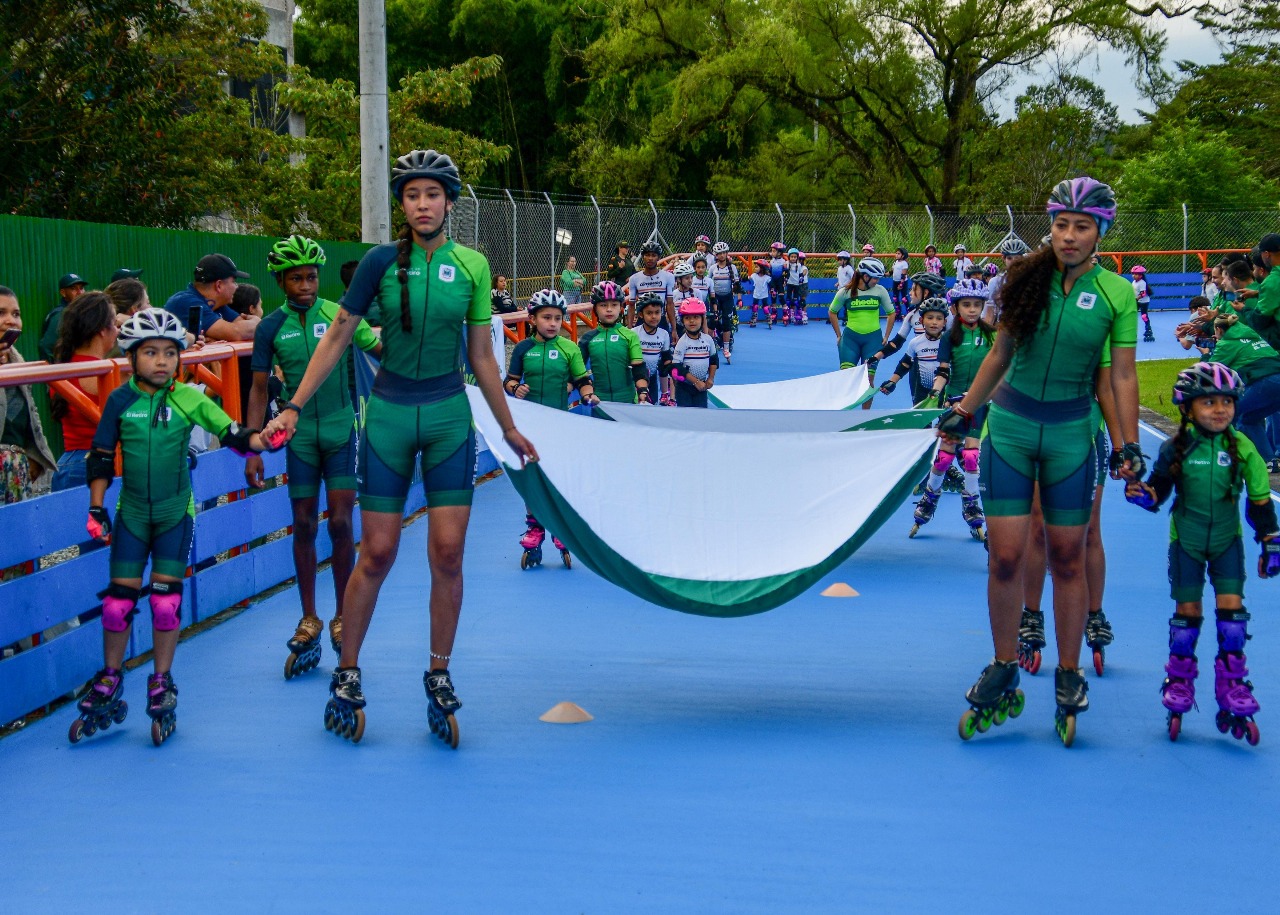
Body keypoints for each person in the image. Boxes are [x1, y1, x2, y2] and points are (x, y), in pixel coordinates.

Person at [261, 149, 536, 747]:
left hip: (447, 418)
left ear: (449, 201)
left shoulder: (473, 266)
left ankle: (438, 673)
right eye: (411, 195)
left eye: (431, 194)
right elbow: (338, 336)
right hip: (386, 416)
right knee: (378, 552)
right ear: (402, 205)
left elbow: (483, 355)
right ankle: (348, 670)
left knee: (447, 554)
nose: (421, 204)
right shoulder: (380, 263)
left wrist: (507, 425)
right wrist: (293, 405)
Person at [945, 177, 1139, 747]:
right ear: (1049, 227)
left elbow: (1121, 375)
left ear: (1101, 232)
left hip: (1072, 436)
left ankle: (1069, 671)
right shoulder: (1022, 279)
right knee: (1005, 556)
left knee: (1067, 558)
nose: (1069, 236)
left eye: (1081, 227)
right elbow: (1000, 354)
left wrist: (1128, 444)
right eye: (1060, 225)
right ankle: (1004, 663)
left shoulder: (1116, 295)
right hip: (1010, 428)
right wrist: (964, 410)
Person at [72, 308, 277, 746]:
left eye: (170, 352)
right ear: (132, 357)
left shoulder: (190, 398)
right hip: (131, 515)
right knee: (117, 603)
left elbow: (234, 434)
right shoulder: (120, 401)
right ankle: (111, 676)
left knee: (165, 603)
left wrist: (264, 439)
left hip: (173, 515)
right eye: (150, 352)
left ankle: (161, 679)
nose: (161, 361)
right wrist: (96, 507)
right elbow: (101, 456)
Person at [245, 235, 383, 678]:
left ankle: (343, 614)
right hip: (299, 440)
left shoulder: (337, 314)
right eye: (296, 278)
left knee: (342, 522)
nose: (306, 285)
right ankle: (310, 616)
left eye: (312, 277)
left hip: (341, 430)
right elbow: (259, 387)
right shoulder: (270, 328)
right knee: (303, 523)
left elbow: (378, 348)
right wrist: (251, 446)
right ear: (281, 281)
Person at [1124, 362, 1278, 745]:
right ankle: (1178, 681)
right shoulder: (1175, 446)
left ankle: (1233, 687)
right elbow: (1159, 491)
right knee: (1187, 614)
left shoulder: (1243, 448)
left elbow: (1259, 501)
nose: (1220, 410)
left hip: (1227, 541)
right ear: (1187, 408)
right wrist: (1143, 495)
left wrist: (1270, 540)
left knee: (1232, 618)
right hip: (1187, 543)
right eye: (1208, 402)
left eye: (1227, 401)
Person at [505, 289, 595, 569]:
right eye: (546, 317)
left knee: (558, 478)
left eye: (558, 318)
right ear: (532, 318)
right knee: (533, 480)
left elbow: (581, 379)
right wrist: (515, 389)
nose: (553, 323)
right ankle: (534, 528)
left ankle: (560, 526)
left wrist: (589, 394)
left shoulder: (570, 348)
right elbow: (508, 382)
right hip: (529, 426)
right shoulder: (522, 348)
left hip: (559, 425)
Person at [901, 296, 979, 539]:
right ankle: (928, 500)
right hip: (952, 399)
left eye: (977, 305)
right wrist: (936, 393)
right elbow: (943, 370)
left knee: (971, 457)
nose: (972, 310)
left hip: (978, 400)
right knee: (945, 455)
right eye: (966, 305)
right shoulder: (948, 339)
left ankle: (973, 507)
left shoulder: (990, 336)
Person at [50, 292, 119, 492]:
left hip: (68, 463)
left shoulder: (64, 365)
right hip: (94, 463)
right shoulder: (105, 372)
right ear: (101, 330)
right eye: (114, 324)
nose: (117, 331)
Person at [0, 287, 57, 502]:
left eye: (16, 314)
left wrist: (34, 458)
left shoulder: (18, 363)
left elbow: (31, 416)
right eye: (1, 313)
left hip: (16, 473)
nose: (11, 321)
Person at [1206, 312, 1280, 467]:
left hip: (1265, 382)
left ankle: (1224, 455)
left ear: (1219, 330)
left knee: (1231, 412)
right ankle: (1270, 460)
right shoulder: (1252, 335)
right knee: (1249, 418)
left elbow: (1210, 371)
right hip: (1274, 378)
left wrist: (1207, 353)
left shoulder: (1226, 344)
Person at [579, 281, 650, 404]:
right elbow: (578, 371)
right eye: (603, 305)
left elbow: (639, 369)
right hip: (599, 401)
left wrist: (643, 391)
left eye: (614, 305)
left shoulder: (630, 335)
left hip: (627, 400)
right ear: (595, 308)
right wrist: (587, 394)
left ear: (621, 307)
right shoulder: (587, 338)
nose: (609, 309)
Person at [162, 253, 258, 343]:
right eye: (233, 281)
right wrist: (258, 323)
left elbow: (243, 328)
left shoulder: (217, 305)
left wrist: (217, 337)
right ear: (219, 285)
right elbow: (238, 333)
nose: (236, 286)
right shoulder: (186, 302)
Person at [828, 257, 895, 383]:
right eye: (875, 278)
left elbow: (891, 313)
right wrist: (838, 336)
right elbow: (832, 312)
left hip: (873, 340)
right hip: (850, 340)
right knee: (846, 381)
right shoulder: (845, 292)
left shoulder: (880, 291)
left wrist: (886, 336)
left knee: (868, 382)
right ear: (865, 276)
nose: (877, 281)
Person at [670, 299, 717, 407]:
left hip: (702, 385)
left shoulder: (708, 340)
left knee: (701, 416)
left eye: (696, 317)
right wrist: (695, 382)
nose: (692, 321)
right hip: (684, 387)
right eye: (687, 318)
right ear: (682, 321)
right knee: (686, 417)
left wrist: (710, 378)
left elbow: (714, 360)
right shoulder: (682, 342)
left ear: (702, 319)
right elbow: (677, 367)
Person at [633, 293, 674, 406]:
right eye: (649, 313)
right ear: (641, 314)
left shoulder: (664, 334)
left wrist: (673, 372)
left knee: (652, 407)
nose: (654, 316)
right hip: (635, 379)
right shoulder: (634, 333)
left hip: (652, 378)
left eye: (657, 312)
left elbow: (666, 359)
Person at [625, 241, 676, 330]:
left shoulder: (668, 277)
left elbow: (670, 304)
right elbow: (631, 305)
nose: (650, 258)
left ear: (658, 257)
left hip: (661, 320)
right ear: (643, 257)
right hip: (642, 320)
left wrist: (674, 329)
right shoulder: (634, 278)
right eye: (647, 255)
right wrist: (629, 328)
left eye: (653, 255)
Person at [39, 272, 88, 361]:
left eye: (81, 288)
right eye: (73, 289)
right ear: (63, 292)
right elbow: (46, 347)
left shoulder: (74, 312)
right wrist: (54, 370)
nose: (79, 292)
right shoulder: (62, 314)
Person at [985, 238, 1030, 324]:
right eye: (1009, 258)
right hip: (1004, 325)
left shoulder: (1030, 279)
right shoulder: (995, 282)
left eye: (1017, 258)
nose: (1013, 262)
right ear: (1003, 259)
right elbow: (989, 313)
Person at [710, 243, 740, 363]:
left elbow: (737, 285)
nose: (722, 255)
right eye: (719, 253)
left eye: (724, 253)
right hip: (716, 297)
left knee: (727, 323)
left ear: (727, 254)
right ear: (716, 255)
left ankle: (726, 348)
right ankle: (714, 342)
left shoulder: (732, 268)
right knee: (713, 320)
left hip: (727, 298)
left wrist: (739, 298)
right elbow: (708, 282)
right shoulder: (712, 268)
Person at [1131, 265, 1154, 342]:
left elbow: (1143, 294)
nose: (1134, 276)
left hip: (1144, 302)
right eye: (1133, 274)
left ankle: (1148, 329)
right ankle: (1132, 331)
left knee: (1144, 316)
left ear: (1141, 275)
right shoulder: (1134, 282)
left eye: (1136, 274)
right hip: (1137, 301)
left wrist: (1136, 299)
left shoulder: (1142, 283)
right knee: (1133, 315)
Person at [749, 258, 773, 328]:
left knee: (765, 307)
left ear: (762, 268)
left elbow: (771, 285)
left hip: (764, 295)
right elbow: (748, 278)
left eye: (757, 267)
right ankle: (753, 320)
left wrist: (772, 290)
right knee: (755, 306)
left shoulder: (767, 277)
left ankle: (769, 319)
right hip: (756, 294)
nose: (755, 269)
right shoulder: (754, 275)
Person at [890, 248, 911, 317]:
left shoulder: (904, 263)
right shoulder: (895, 262)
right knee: (895, 298)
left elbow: (903, 275)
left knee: (904, 298)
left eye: (898, 253)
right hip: (895, 281)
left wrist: (901, 284)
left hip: (902, 282)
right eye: (896, 253)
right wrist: (883, 273)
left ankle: (909, 313)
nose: (896, 255)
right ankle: (898, 313)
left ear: (903, 255)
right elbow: (891, 272)